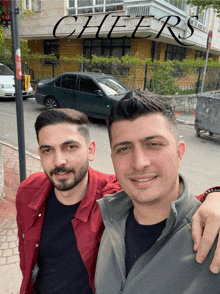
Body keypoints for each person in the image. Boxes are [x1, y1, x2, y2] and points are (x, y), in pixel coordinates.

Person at [16, 108, 220, 294]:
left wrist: (215, 194)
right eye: (47, 150)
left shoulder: (112, 194)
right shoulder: (29, 191)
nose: (59, 160)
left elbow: (172, 200)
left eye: (70, 147)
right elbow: (28, 258)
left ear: (91, 150)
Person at [95, 90, 220, 294]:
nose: (139, 163)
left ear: (179, 154)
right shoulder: (110, 218)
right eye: (124, 149)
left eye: (153, 144)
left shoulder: (213, 240)